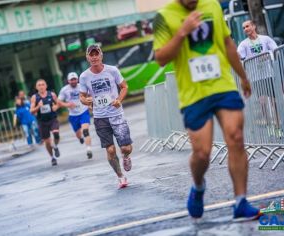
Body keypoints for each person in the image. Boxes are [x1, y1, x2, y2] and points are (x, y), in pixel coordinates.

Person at [153, 0, 260, 220]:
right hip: (194, 94)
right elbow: (161, 58)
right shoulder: (164, 16)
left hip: (222, 85)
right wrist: (182, 31)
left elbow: (227, 43)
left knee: (236, 136)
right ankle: (198, 186)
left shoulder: (212, 5)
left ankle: (241, 201)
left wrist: (242, 76)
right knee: (202, 154)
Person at [79, 44, 133, 189]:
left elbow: (124, 87)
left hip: (117, 114)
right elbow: (82, 97)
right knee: (110, 150)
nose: (94, 57)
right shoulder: (84, 76)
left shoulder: (112, 70)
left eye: (97, 54)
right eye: (92, 54)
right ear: (87, 57)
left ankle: (126, 157)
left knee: (126, 148)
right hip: (100, 117)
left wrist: (119, 100)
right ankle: (121, 176)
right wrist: (85, 100)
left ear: (101, 55)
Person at [58, 72, 93, 159]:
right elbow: (58, 101)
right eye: (71, 80)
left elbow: (90, 95)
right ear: (68, 81)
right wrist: (67, 105)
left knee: (85, 130)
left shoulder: (82, 86)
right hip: (73, 115)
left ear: (77, 79)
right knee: (78, 133)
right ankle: (80, 138)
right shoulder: (64, 90)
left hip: (83, 111)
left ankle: (89, 149)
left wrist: (89, 103)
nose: (73, 81)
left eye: (75, 79)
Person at [30, 79, 61, 166]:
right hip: (42, 121)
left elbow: (59, 103)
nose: (41, 86)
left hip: (52, 119)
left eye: (43, 84)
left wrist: (56, 107)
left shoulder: (52, 94)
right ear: (36, 87)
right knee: (47, 142)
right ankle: (52, 158)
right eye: (39, 85)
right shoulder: (34, 97)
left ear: (46, 86)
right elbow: (31, 111)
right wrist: (38, 107)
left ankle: (55, 146)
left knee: (56, 134)